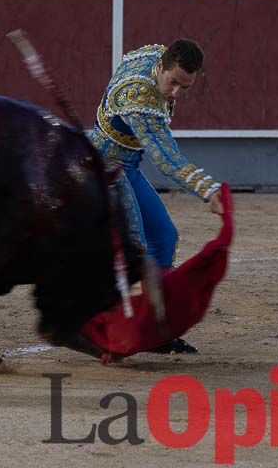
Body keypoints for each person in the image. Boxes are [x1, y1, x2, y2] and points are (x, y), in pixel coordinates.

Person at [88, 38, 225, 353]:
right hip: (105, 168)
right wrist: (208, 190)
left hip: (126, 164)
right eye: (173, 82)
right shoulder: (141, 98)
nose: (175, 93)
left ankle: (158, 330)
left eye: (185, 88)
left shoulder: (154, 55)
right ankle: (105, 328)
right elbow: (167, 160)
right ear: (161, 66)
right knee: (134, 247)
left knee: (163, 236)